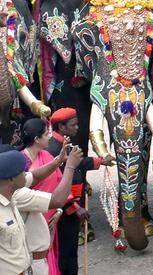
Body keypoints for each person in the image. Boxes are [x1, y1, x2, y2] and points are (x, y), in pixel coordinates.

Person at [0, 146, 81, 275]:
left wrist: (58, 161)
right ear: (11, 180)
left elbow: (34, 176)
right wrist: (70, 167)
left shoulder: (8, 194)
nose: (26, 173)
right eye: (22, 172)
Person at [47, 108, 113, 275]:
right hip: (64, 210)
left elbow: (79, 163)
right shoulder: (54, 150)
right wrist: (75, 208)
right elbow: (56, 183)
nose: (77, 127)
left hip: (72, 206)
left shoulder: (64, 144)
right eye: (73, 124)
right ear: (61, 127)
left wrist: (101, 161)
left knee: (71, 249)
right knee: (66, 251)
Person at [19, 119, 65, 275]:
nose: (49, 137)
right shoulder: (21, 163)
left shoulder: (47, 155)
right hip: (32, 223)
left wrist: (58, 211)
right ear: (36, 139)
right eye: (46, 134)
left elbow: (59, 185)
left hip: (52, 219)